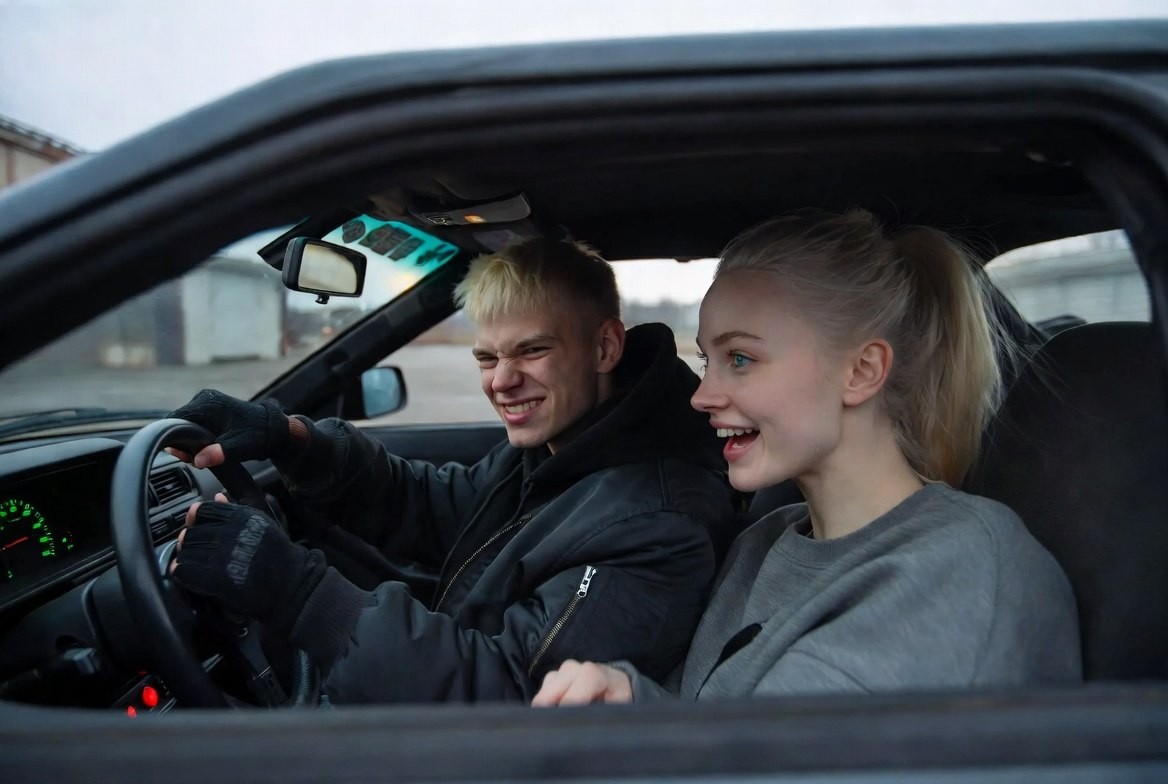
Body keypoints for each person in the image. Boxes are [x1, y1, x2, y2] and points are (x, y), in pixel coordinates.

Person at [532, 209, 1082, 706]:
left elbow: (770, 762)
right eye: (706, 361)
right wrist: (632, 700)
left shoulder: (958, 570)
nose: (702, 396)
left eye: (740, 358)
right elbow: (722, 727)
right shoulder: (765, 541)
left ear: (861, 371)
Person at [167, 237, 735, 704]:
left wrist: (297, 592)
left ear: (605, 348)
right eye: (487, 357)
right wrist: (291, 440)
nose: (501, 381)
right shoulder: (562, 447)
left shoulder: (658, 521)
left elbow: (505, 689)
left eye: (531, 351)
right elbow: (438, 506)